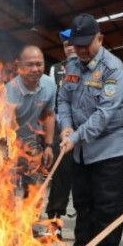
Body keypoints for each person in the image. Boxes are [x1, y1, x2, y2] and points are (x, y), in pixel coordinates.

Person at [58, 13, 123, 246]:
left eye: (85, 44)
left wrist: (74, 137)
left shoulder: (114, 69)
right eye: (76, 44)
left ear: (99, 39)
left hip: (112, 149)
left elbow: (104, 115)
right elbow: (64, 101)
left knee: (107, 207)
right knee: (82, 204)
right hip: (82, 149)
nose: (79, 49)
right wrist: (66, 127)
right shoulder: (71, 66)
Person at [5, 45, 56, 195]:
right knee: (7, 190)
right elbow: (4, 129)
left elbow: (49, 115)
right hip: (8, 142)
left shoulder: (49, 85)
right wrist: (8, 155)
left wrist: (48, 145)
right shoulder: (9, 92)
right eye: (30, 64)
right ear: (19, 66)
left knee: (35, 188)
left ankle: (34, 217)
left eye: (39, 64)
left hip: (31, 140)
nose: (35, 69)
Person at [45, 30, 75, 219]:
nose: (70, 48)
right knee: (61, 175)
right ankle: (54, 219)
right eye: (66, 45)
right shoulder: (56, 70)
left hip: (86, 129)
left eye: (73, 43)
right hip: (61, 129)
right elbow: (50, 102)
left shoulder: (95, 68)